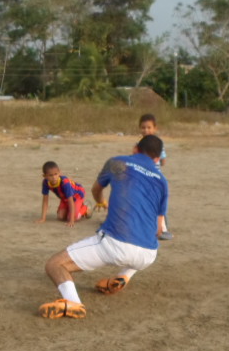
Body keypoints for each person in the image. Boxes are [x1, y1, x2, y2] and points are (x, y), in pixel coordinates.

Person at [39, 134, 168, 319]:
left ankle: (73, 302)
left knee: (55, 264)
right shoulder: (162, 181)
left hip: (116, 245)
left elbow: (96, 190)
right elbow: (159, 229)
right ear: (157, 159)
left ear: (135, 149)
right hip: (148, 255)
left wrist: (101, 202)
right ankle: (125, 276)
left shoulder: (118, 163)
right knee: (140, 244)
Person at [138, 114, 173, 240]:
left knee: (159, 204)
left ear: (155, 128)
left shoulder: (158, 144)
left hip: (155, 179)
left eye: (149, 127)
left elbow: (163, 160)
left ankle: (162, 229)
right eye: (143, 128)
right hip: (143, 179)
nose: (146, 130)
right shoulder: (139, 145)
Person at [36, 161, 89, 228]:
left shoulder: (64, 182)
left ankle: (85, 209)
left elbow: (71, 201)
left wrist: (71, 221)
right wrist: (43, 218)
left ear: (59, 172)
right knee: (60, 217)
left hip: (77, 195)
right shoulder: (45, 183)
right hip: (65, 198)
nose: (54, 177)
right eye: (50, 175)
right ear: (45, 176)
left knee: (73, 218)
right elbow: (45, 201)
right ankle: (73, 210)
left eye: (56, 174)